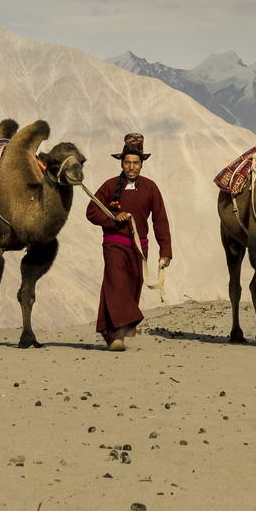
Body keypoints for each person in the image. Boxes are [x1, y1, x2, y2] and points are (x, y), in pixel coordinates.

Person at [85, 133, 172, 351]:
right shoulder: (109, 185)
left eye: (135, 163)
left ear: (142, 165)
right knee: (116, 284)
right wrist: (113, 219)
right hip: (114, 244)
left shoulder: (150, 188)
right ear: (121, 163)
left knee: (132, 287)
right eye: (127, 162)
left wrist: (165, 251)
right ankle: (116, 337)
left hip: (139, 247)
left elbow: (160, 219)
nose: (131, 167)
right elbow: (91, 212)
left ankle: (110, 331)